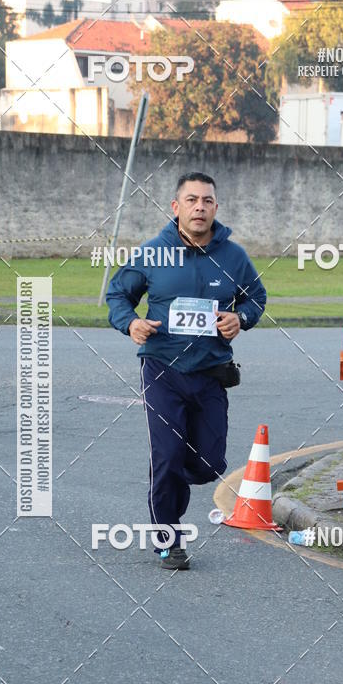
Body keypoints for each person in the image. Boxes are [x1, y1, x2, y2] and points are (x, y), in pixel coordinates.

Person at [106, 172, 267, 570]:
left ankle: (176, 470)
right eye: (191, 200)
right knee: (168, 452)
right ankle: (167, 538)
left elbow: (256, 298)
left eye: (207, 200)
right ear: (176, 207)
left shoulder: (233, 256)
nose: (199, 207)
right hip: (162, 368)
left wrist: (240, 318)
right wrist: (131, 323)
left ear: (215, 207)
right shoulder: (152, 254)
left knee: (209, 462)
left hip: (211, 372)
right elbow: (118, 295)